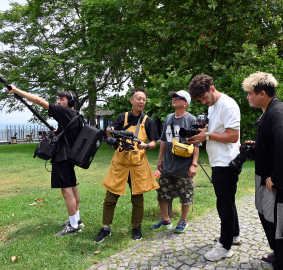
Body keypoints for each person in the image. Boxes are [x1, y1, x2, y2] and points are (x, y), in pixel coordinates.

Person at [242, 72, 283, 269]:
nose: (247, 97)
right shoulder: (270, 111)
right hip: (271, 180)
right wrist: (257, 146)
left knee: (282, 224)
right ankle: (279, 255)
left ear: (262, 93)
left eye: (250, 93)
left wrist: (277, 178)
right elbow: (276, 143)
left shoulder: (277, 113)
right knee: (271, 220)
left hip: (280, 185)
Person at [6, 85, 84, 236]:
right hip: (70, 158)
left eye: (62, 99)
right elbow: (71, 135)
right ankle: (77, 219)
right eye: (58, 99)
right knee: (73, 188)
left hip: (62, 158)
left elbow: (39, 101)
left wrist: (17, 91)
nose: (58, 102)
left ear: (70, 102)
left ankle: (73, 226)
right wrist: (59, 131)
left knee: (67, 192)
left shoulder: (65, 112)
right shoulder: (76, 116)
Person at [93, 88, 160, 242]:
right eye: (138, 98)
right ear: (131, 100)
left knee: (137, 200)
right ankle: (105, 228)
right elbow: (112, 132)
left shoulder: (148, 121)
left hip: (138, 165)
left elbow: (154, 142)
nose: (141, 101)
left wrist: (147, 146)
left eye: (143, 99)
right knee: (110, 198)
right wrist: (110, 132)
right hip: (120, 164)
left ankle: (136, 228)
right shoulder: (121, 117)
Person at [187, 74, 241, 261]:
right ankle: (233, 235)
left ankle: (224, 247)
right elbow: (215, 130)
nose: (203, 102)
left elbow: (233, 136)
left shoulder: (228, 105)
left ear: (212, 89)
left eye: (203, 98)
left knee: (223, 205)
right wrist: (201, 133)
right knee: (228, 200)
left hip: (226, 162)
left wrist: (207, 136)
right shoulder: (213, 106)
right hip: (218, 160)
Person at [150, 90, 199, 233]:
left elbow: (196, 145)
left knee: (186, 195)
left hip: (184, 166)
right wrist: (160, 158)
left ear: (186, 103)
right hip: (168, 165)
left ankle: (183, 221)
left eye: (178, 97)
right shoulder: (168, 118)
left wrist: (194, 165)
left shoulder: (192, 120)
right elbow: (164, 140)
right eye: (173, 97)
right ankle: (166, 220)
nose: (174, 99)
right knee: (162, 193)